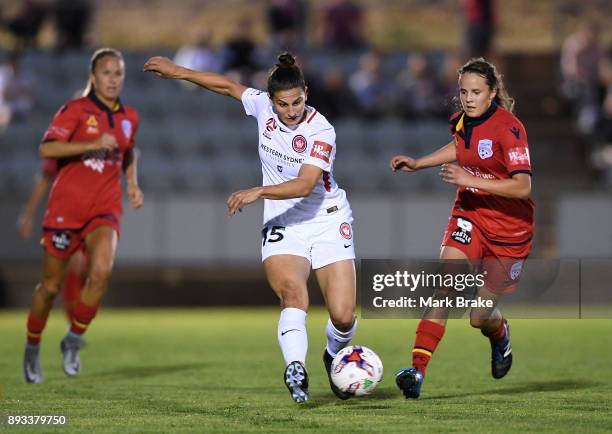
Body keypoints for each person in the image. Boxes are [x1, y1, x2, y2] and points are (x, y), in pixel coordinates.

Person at [144, 52, 357, 404]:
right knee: (292, 294)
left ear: (306, 92)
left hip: (328, 218)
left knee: (344, 316)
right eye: (283, 104)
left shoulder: (322, 130)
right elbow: (226, 85)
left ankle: (334, 354)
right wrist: (177, 71)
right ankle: (295, 368)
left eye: (297, 102)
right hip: (283, 222)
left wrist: (258, 190)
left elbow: (305, 184)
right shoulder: (261, 106)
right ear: (270, 100)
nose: (291, 111)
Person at [389, 57, 534, 398]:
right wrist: (419, 163)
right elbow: (459, 147)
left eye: (476, 92)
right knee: (446, 285)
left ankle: (500, 335)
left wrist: (471, 179)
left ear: (492, 93)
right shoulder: (460, 122)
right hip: (469, 214)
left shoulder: (510, 129)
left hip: (509, 231)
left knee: (478, 316)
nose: (468, 99)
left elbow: (523, 187)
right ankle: (417, 372)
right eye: (464, 92)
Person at [23, 48, 143, 384]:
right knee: (49, 287)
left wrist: (132, 183)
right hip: (66, 210)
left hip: (104, 208)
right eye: (107, 72)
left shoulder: (130, 116)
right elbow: (47, 148)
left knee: (101, 273)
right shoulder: (75, 110)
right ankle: (32, 346)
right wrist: (89, 146)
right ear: (94, 76)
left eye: (118, 73)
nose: (113, 79)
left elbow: (129, 149)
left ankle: (73, 339)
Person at [18, 159, 88, 322]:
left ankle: (76, 320)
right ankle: (72, 324)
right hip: (64, 215)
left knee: (86, 268)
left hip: (91, 213)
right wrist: (27, 215)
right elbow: (44, 178)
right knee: (72, 267)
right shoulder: (62, 144)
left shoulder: (95, 143)